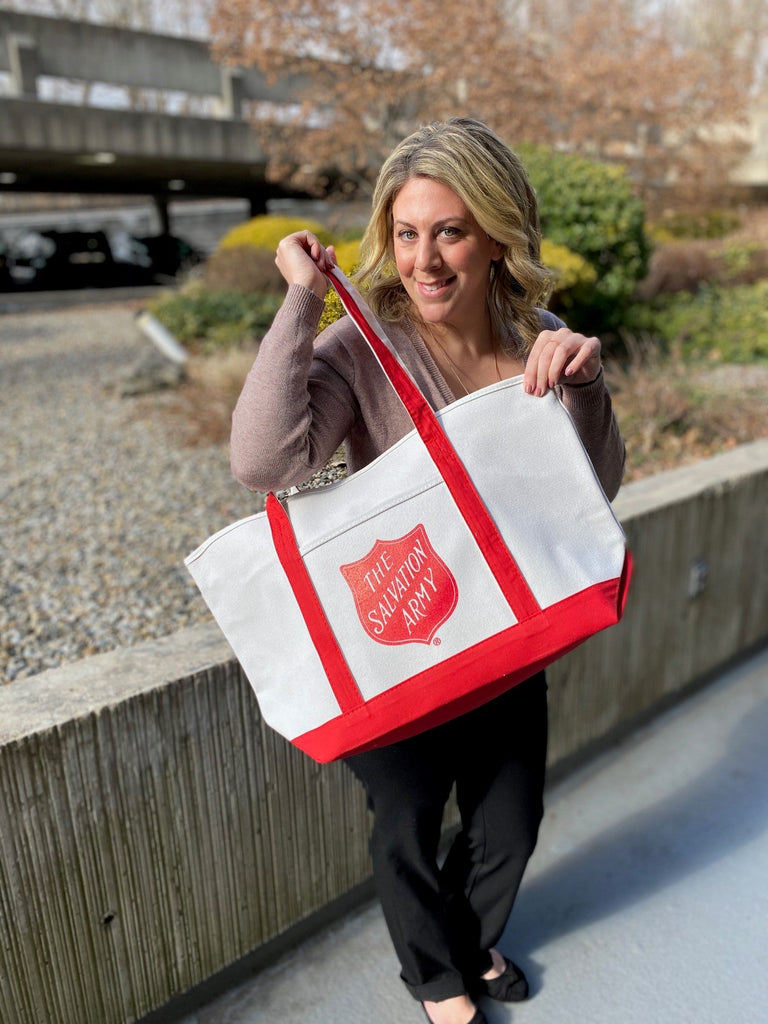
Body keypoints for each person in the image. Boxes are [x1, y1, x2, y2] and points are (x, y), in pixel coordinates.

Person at [229, 118, 626, 1024]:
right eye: (407, 234)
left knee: (509, 824)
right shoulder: (365, 346)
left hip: (503, 628)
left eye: (449, 231)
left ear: (496, 233)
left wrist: (587, 387)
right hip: (393, 628)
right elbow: (265, 461)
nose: (426, 260)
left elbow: (592, 487)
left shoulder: (541, 336)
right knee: (406, 826)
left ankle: (468, 935)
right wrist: (303, 301)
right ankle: (437, 977)